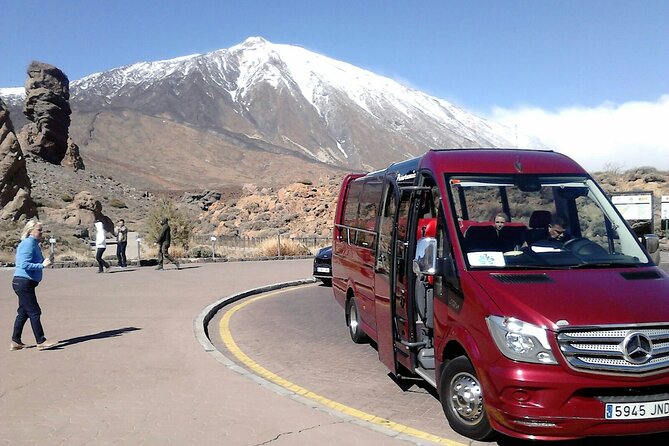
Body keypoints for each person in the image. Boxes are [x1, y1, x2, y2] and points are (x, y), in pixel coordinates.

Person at [10, 219, 58, 351]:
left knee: (23, 312)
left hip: (25, 282)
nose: (41, 233)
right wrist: (41, 265)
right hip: (23, 282)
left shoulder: (34, 244)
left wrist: (46, 261)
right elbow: (23, 264)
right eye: (39, 230)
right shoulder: (28, 243)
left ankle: (16, 341)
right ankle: (41, 340)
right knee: (34, 311)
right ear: (30, 231)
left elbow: (37, 261)